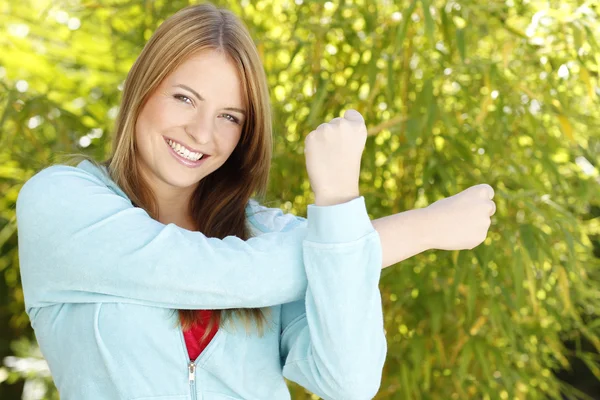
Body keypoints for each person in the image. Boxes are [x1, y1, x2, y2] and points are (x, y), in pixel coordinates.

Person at [16, 3, 496, 400]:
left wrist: (339, 200)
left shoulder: (269, 236)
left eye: (229, 116)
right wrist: (420, 229)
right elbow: (218, 274)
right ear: (143, 89)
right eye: (184, 98)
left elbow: (347, 381)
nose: (203, 132)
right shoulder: (63, 203)